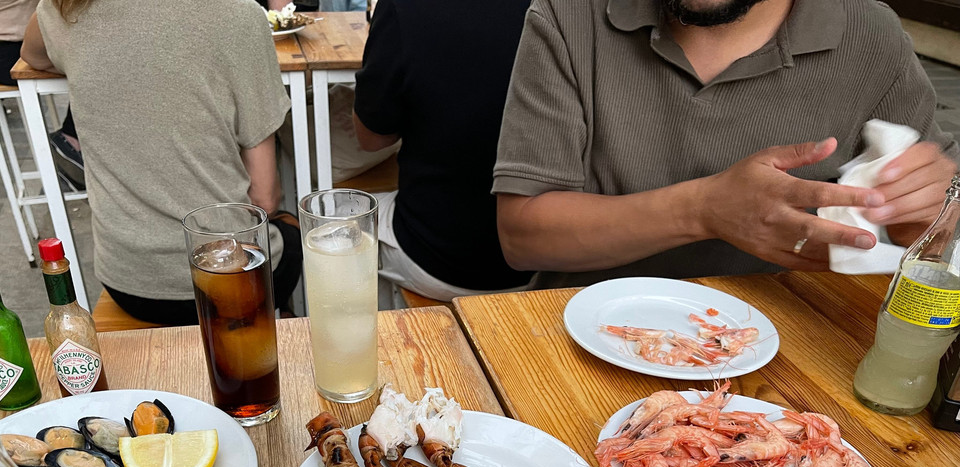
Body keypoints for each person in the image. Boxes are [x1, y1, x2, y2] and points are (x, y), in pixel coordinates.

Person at [493, 0, 960, 286]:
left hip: (792, 347)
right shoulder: (569, 13)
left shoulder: (872, 35)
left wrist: (921, 213)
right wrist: (704, 209)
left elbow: (934, 235)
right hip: (574, 326)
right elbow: (522, 238)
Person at [22, 0, 302, 324]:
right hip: (229, 281)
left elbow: (32, 55)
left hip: (127, 283)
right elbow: (265, 198)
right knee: (290, 232)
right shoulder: (240, 14)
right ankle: (282, 320)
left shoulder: (65, 9)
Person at [351, 0, 537, 301]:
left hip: (436, 259)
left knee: (338, 219)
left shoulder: (403, 8)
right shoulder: (570, 10)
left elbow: (372, 139)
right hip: (551, 259)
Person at [0, 0, 83, 189]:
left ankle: (78, 145)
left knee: (104, 55)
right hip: (6, 49)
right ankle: (71, 141)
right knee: (102, 63)